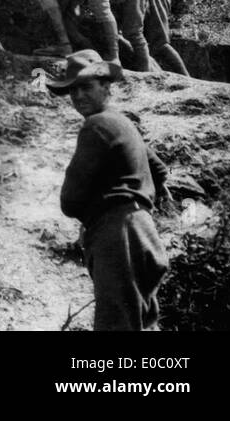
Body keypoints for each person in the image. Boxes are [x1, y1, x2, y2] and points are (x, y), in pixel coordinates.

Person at [51, 50, 171, 330]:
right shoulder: (123, 122)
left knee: (116, 325)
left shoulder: (96, 126)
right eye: (73, 90)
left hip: (118, 236)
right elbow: (160, 169)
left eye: (87, 87)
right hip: (144, 233)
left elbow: (69, 201)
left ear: (106, 86)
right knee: (143, 322)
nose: (79, 96)